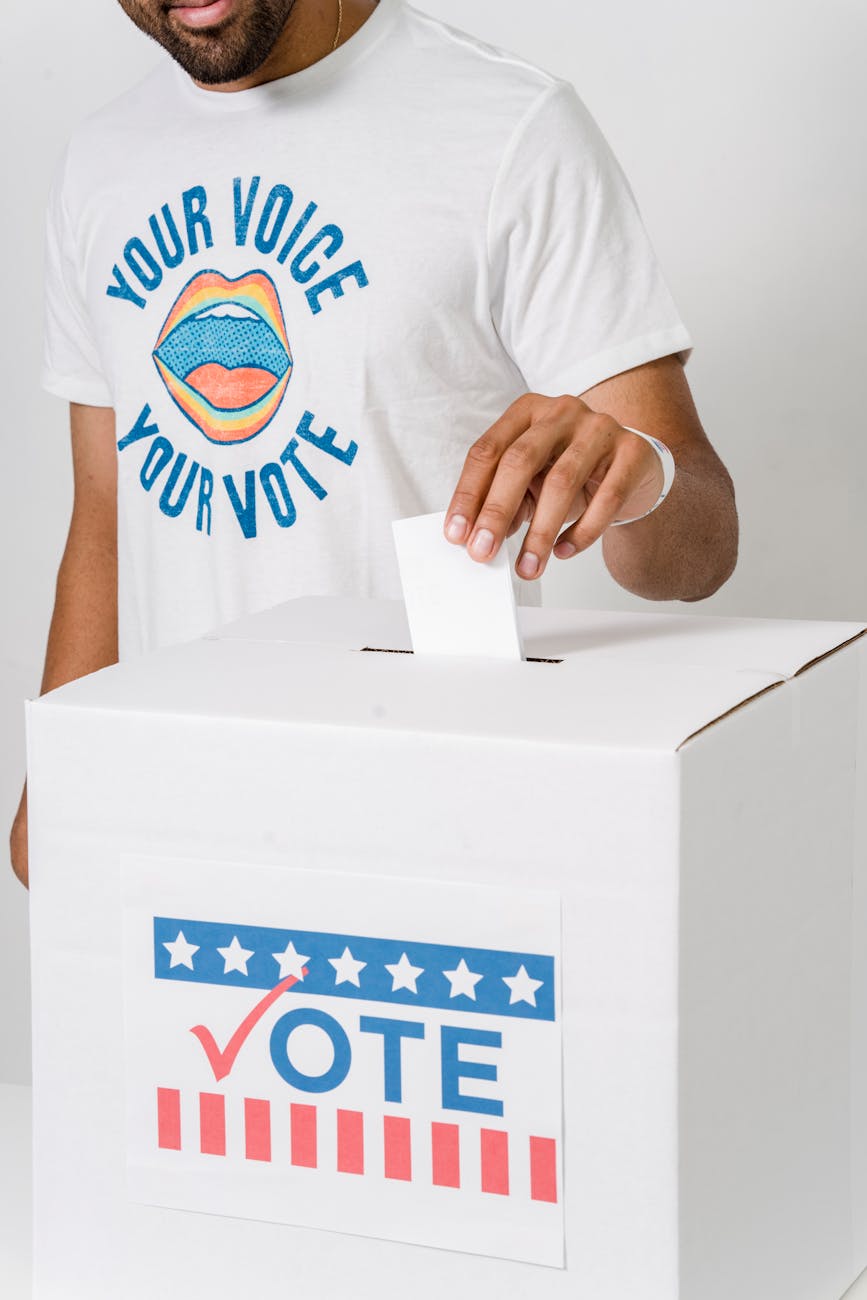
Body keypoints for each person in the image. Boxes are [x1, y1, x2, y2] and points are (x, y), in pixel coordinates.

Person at [9, 0, 737, 887]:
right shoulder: (101, 161)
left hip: (428, 830)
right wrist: (58, 771)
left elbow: (697, 555)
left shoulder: (510, 126)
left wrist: (637, 472)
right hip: (175, 822)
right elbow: (107, 513)